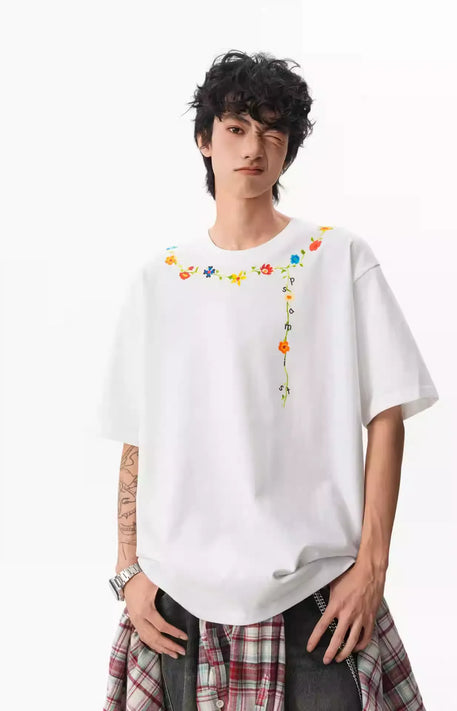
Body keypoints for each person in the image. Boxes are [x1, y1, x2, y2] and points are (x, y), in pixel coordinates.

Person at [99, 50, 439, 710]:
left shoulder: (337, 257)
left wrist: (372, 566)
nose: (253, 147)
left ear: (289, 149)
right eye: (235, 128)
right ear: (204, 140)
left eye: (272, 131)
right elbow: (137, 435)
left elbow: (387, 413)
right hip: (178, 601)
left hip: (315, 595)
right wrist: (127, 569)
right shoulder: (160, 279)